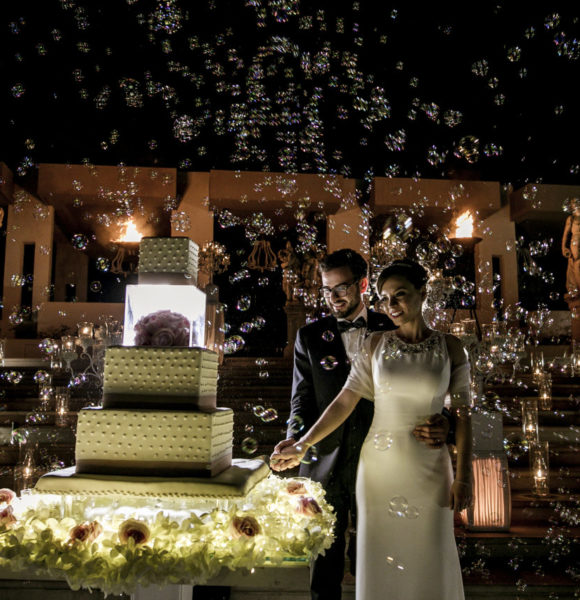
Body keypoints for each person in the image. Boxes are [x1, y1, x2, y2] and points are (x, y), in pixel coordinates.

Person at [272, 258, 472, 600]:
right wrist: (301, 443)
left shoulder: (448, 346)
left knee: (426, 551)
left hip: (427, 464)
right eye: (385, 298)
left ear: (422, 293)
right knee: (351, 560)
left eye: (400, 295)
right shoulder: (361, 342)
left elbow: (463, 413)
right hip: (368, 464)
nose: (391, 304)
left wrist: (460, 467)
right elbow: (330, 400)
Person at [562, 198, 580, 296]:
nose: (574, 205)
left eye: (576, 202)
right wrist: (563, 248)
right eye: (573, 203)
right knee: (577, 263)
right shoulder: (571, 218)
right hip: (575, 242)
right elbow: (566, 234)